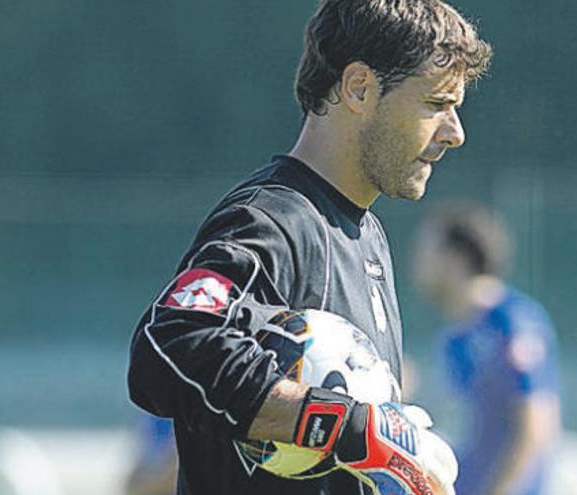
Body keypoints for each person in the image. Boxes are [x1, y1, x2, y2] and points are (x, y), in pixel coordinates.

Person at [126, 1, 492, 494]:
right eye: (435, 104)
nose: (455, 133)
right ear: (359, 87)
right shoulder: (273, 220)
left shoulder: (368, 236)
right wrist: (350, 427)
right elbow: (171, 342)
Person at [413, 202, 562, 495]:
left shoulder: (513, 323)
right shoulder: (451, 337)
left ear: (454, 258)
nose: (417, 263)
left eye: (426, 250)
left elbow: (536, 427)